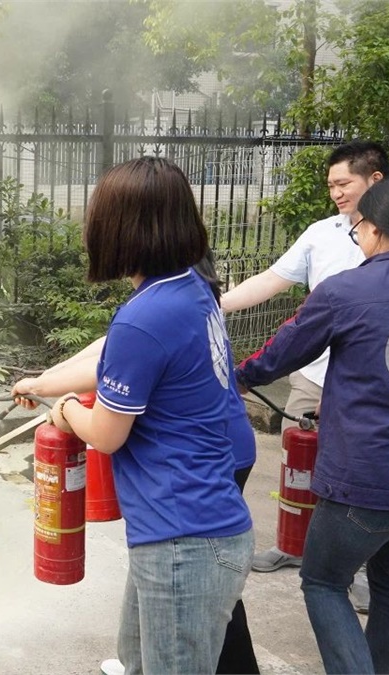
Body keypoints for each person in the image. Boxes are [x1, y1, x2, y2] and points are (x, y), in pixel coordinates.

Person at [235, 175, 389, 674]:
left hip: (370, 484)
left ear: (376, 229)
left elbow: (279, 356)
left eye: (357, 227)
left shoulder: (346, 289)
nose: (357, 235)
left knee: (324, 582)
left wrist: (233, 376)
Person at [43, 156, 255, 674]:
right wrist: (47, 383)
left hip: (182, 538)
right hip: (190, 527)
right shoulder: (191, 290)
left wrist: (64, 410)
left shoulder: (146, 316)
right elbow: (120, 364)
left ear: (121, 228)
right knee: (136, 661)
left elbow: (106, 435)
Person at [221, 141, 389, 613]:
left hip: (366, 382)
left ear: (374, 179)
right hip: (313, 375)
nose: (336, 193)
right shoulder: (322, 233)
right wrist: (214, 304)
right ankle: (293, 543)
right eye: (331, 185)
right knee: (299, 461)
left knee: (356, 473)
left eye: (344, 183)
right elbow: (271, 280)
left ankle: (358, 568)